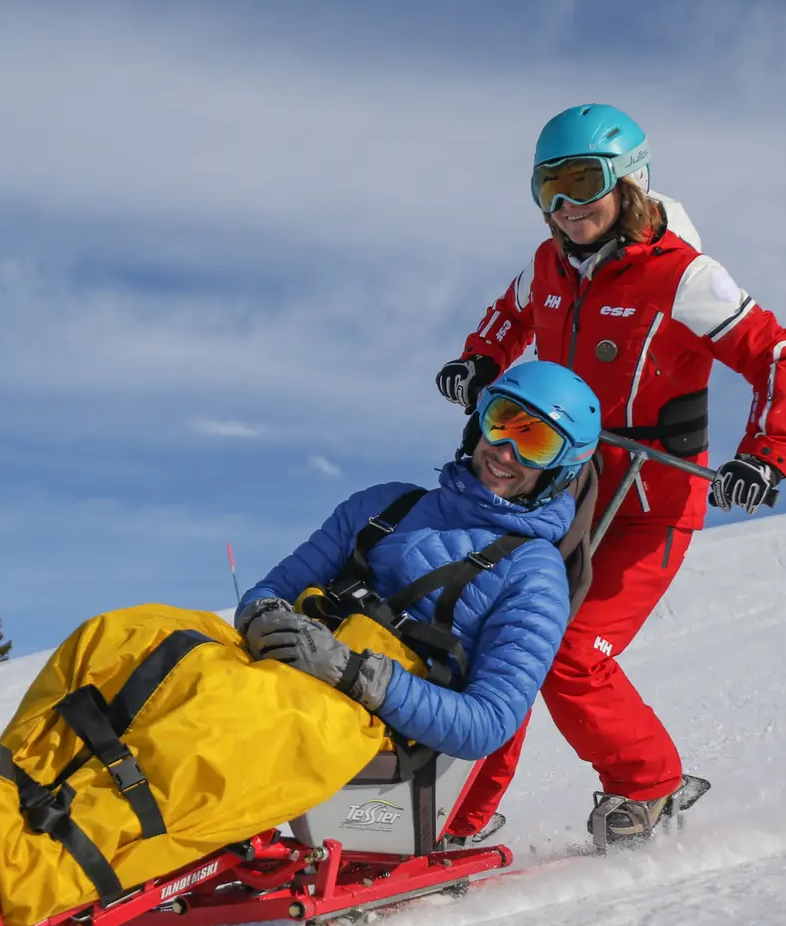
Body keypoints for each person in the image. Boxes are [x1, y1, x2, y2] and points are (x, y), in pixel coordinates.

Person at [434, 103, 786, 844]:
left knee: (570, 654)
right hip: (560, 483)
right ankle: (452, 819)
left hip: (649, 499)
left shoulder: (683, 275)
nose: (566, 208)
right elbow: (510, 314)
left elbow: (781, 357)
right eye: (548, 189)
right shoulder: (548, 263)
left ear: (629, 181)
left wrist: (765, 454)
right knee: (497, 632)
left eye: (583, 183)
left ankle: (649, 783)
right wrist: (481, 358)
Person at [234, 362, 602, 845]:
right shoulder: (383, 506)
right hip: (276, 684)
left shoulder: (533, 574)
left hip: (370, 736)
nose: (505, 451)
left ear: (560, 469)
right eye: (502, 421)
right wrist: (262, 617)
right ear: (478, 422)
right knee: (153, 638)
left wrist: (352, 672)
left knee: (212, 723)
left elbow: (489, 722)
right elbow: (271, 590)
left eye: (534, 444)